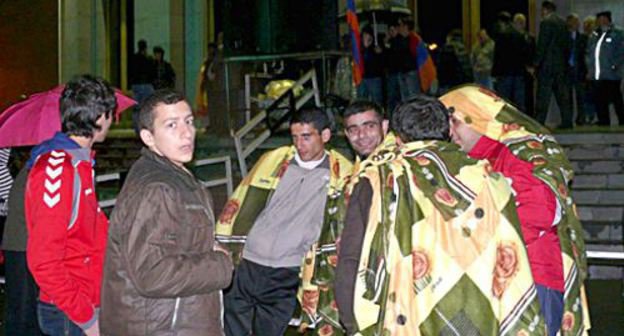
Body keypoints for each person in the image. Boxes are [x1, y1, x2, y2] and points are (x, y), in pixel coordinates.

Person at [335, 95, 544, 335]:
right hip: (479, 308)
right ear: (447, 129)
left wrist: (351, 322)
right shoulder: (487, 176)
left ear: (398, 137)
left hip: (409, 312)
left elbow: (351, 256)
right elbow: (509, 247)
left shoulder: (380, 179)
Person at [441, 84, 590, 335]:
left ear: (478, 117)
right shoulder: (474, 160)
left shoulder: (521, 151)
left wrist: (480, 242)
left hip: (534, 275)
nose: (449, 131)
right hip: (497, 278)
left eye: (455, 121)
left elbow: (543, 212)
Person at [100, 89, 233, 335]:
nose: (186, 133)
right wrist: (220, 264)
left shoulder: (174, 176)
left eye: (189, 122)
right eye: (172, 125)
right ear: (148, 137)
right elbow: (152, 273)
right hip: (165, 328)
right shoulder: (157, 188)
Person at [215, 108, 352, 336]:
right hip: (247, 263)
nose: (299, 144)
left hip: (287, 270)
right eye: (295, 137)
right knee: (231, 330)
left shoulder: (343, 174)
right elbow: (240, 200)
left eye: (306, 137)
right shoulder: (274, 161)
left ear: (325, 136)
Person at [25, 74, 117, 336]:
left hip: (84, 303)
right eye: (112, 114)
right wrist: (88, 319)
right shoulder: (58, 169)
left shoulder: (80, 163)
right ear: (101, 117)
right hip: (71, 312)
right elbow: (44, 261)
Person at [297, 100, 393, 334]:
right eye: (353, 129)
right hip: (352, 277)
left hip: (387, 281)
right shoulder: (353, 173)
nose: (362, 135)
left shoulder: (396, 169)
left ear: (385, 126)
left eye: (369, 126)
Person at [3, 146, 42, 336]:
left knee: (20, 310)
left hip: (18, 242)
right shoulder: (35, 171)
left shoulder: (30, 169)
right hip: (22, 244)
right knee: (24, 311)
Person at [534, 1, 573, 128]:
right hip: (560, 65)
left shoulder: (546, 23)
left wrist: (536, 63)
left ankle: (539, 122)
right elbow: (568, 45)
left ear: (545, 9)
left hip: (547, 66)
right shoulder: (563, 23)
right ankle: (567, 121)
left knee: (543, 97)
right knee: (562, 96)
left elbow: (542, 45)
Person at [586, 10, 624, 126]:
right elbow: (590, 52)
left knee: (616, 99)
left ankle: (622, 122)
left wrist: (615, 65)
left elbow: (621, 52)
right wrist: (590, 69)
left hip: (612, 74)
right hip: (597, 75)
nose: (600, 21)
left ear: (607, 19)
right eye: (599, 19)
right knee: (600, 100)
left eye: (603, 19)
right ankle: (603, 122)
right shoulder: (594, 35)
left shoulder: (617, 33)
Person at [491, 11, 529, 112]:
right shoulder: (520, 36)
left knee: (503, 102)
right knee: (520, 101)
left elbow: (498, 56)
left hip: (504, 73)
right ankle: (522, 123)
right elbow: (524, 54)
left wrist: (495, 73)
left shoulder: (502, 36)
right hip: (518, 72)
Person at [566, 14, 590, 126]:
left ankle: (581, 118)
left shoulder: (583, 38)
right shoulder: (564, 38)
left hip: (580, 70)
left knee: (581, 96)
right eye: (573, 21)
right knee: (567, 97)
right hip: (567, 71)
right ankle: (568, 119)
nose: (576, 24)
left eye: (577, 22)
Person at [513, 13, 537, 116]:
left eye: (522, 22)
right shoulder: (511, 37)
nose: (521, 24)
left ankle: (529, 115)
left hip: (527, 71)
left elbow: (533, 52)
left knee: (528, 95)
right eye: (518, 22)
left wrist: (532, 66)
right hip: (516, 70)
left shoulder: (530, 37)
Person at [129, 39, 155, 133]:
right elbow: (151, 72)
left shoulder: (134, 59)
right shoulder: (147, 59)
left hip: (136, 85)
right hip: (145, 84)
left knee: (137, 108)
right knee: (148, 106)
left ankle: (137, 127)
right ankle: (146, 126)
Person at [357, 26, 384, 105]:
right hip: (363, 77)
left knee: (376, 100)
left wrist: (380, 53)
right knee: (362, 100)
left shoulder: (377, 45)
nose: (366, 37)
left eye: (367, 35)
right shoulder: (360, 47)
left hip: (374, 77)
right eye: (364, 35)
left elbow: (382, 61)